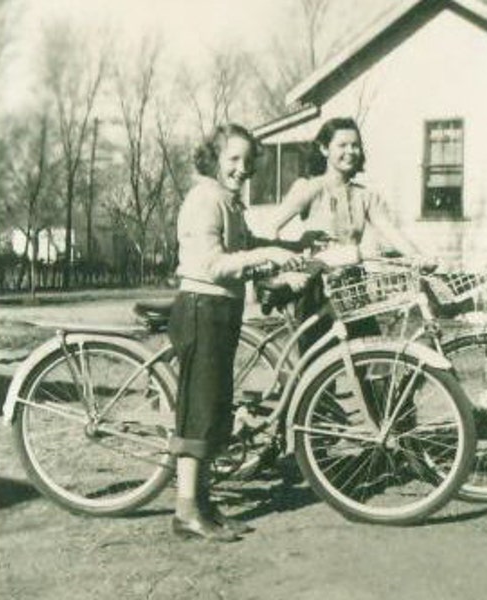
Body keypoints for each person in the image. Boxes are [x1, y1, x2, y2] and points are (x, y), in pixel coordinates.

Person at [168, 123, 314, 542]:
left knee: (215, 410)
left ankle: (204, 505)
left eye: (248, 161)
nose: (242, 168)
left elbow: (248, 250)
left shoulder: (229, 203)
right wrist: (267, 254)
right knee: (198, 412)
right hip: (201, 308)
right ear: (214, 159)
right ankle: (185, 513)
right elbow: (215, 263)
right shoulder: (204, 200)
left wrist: (286, 261)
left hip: (221, 309)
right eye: (233, 159)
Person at [267, 116, 431, 350]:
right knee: (318, 373)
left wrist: (418, 257)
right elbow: (270, 227)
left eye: (355, 145)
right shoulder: (312, 188)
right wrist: (286, 266)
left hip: (352, 290)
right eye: (342, 145)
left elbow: (389, 230)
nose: (350, 151)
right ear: (324, 149)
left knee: (372, 360)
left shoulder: (364, 196)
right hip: (316, 290)